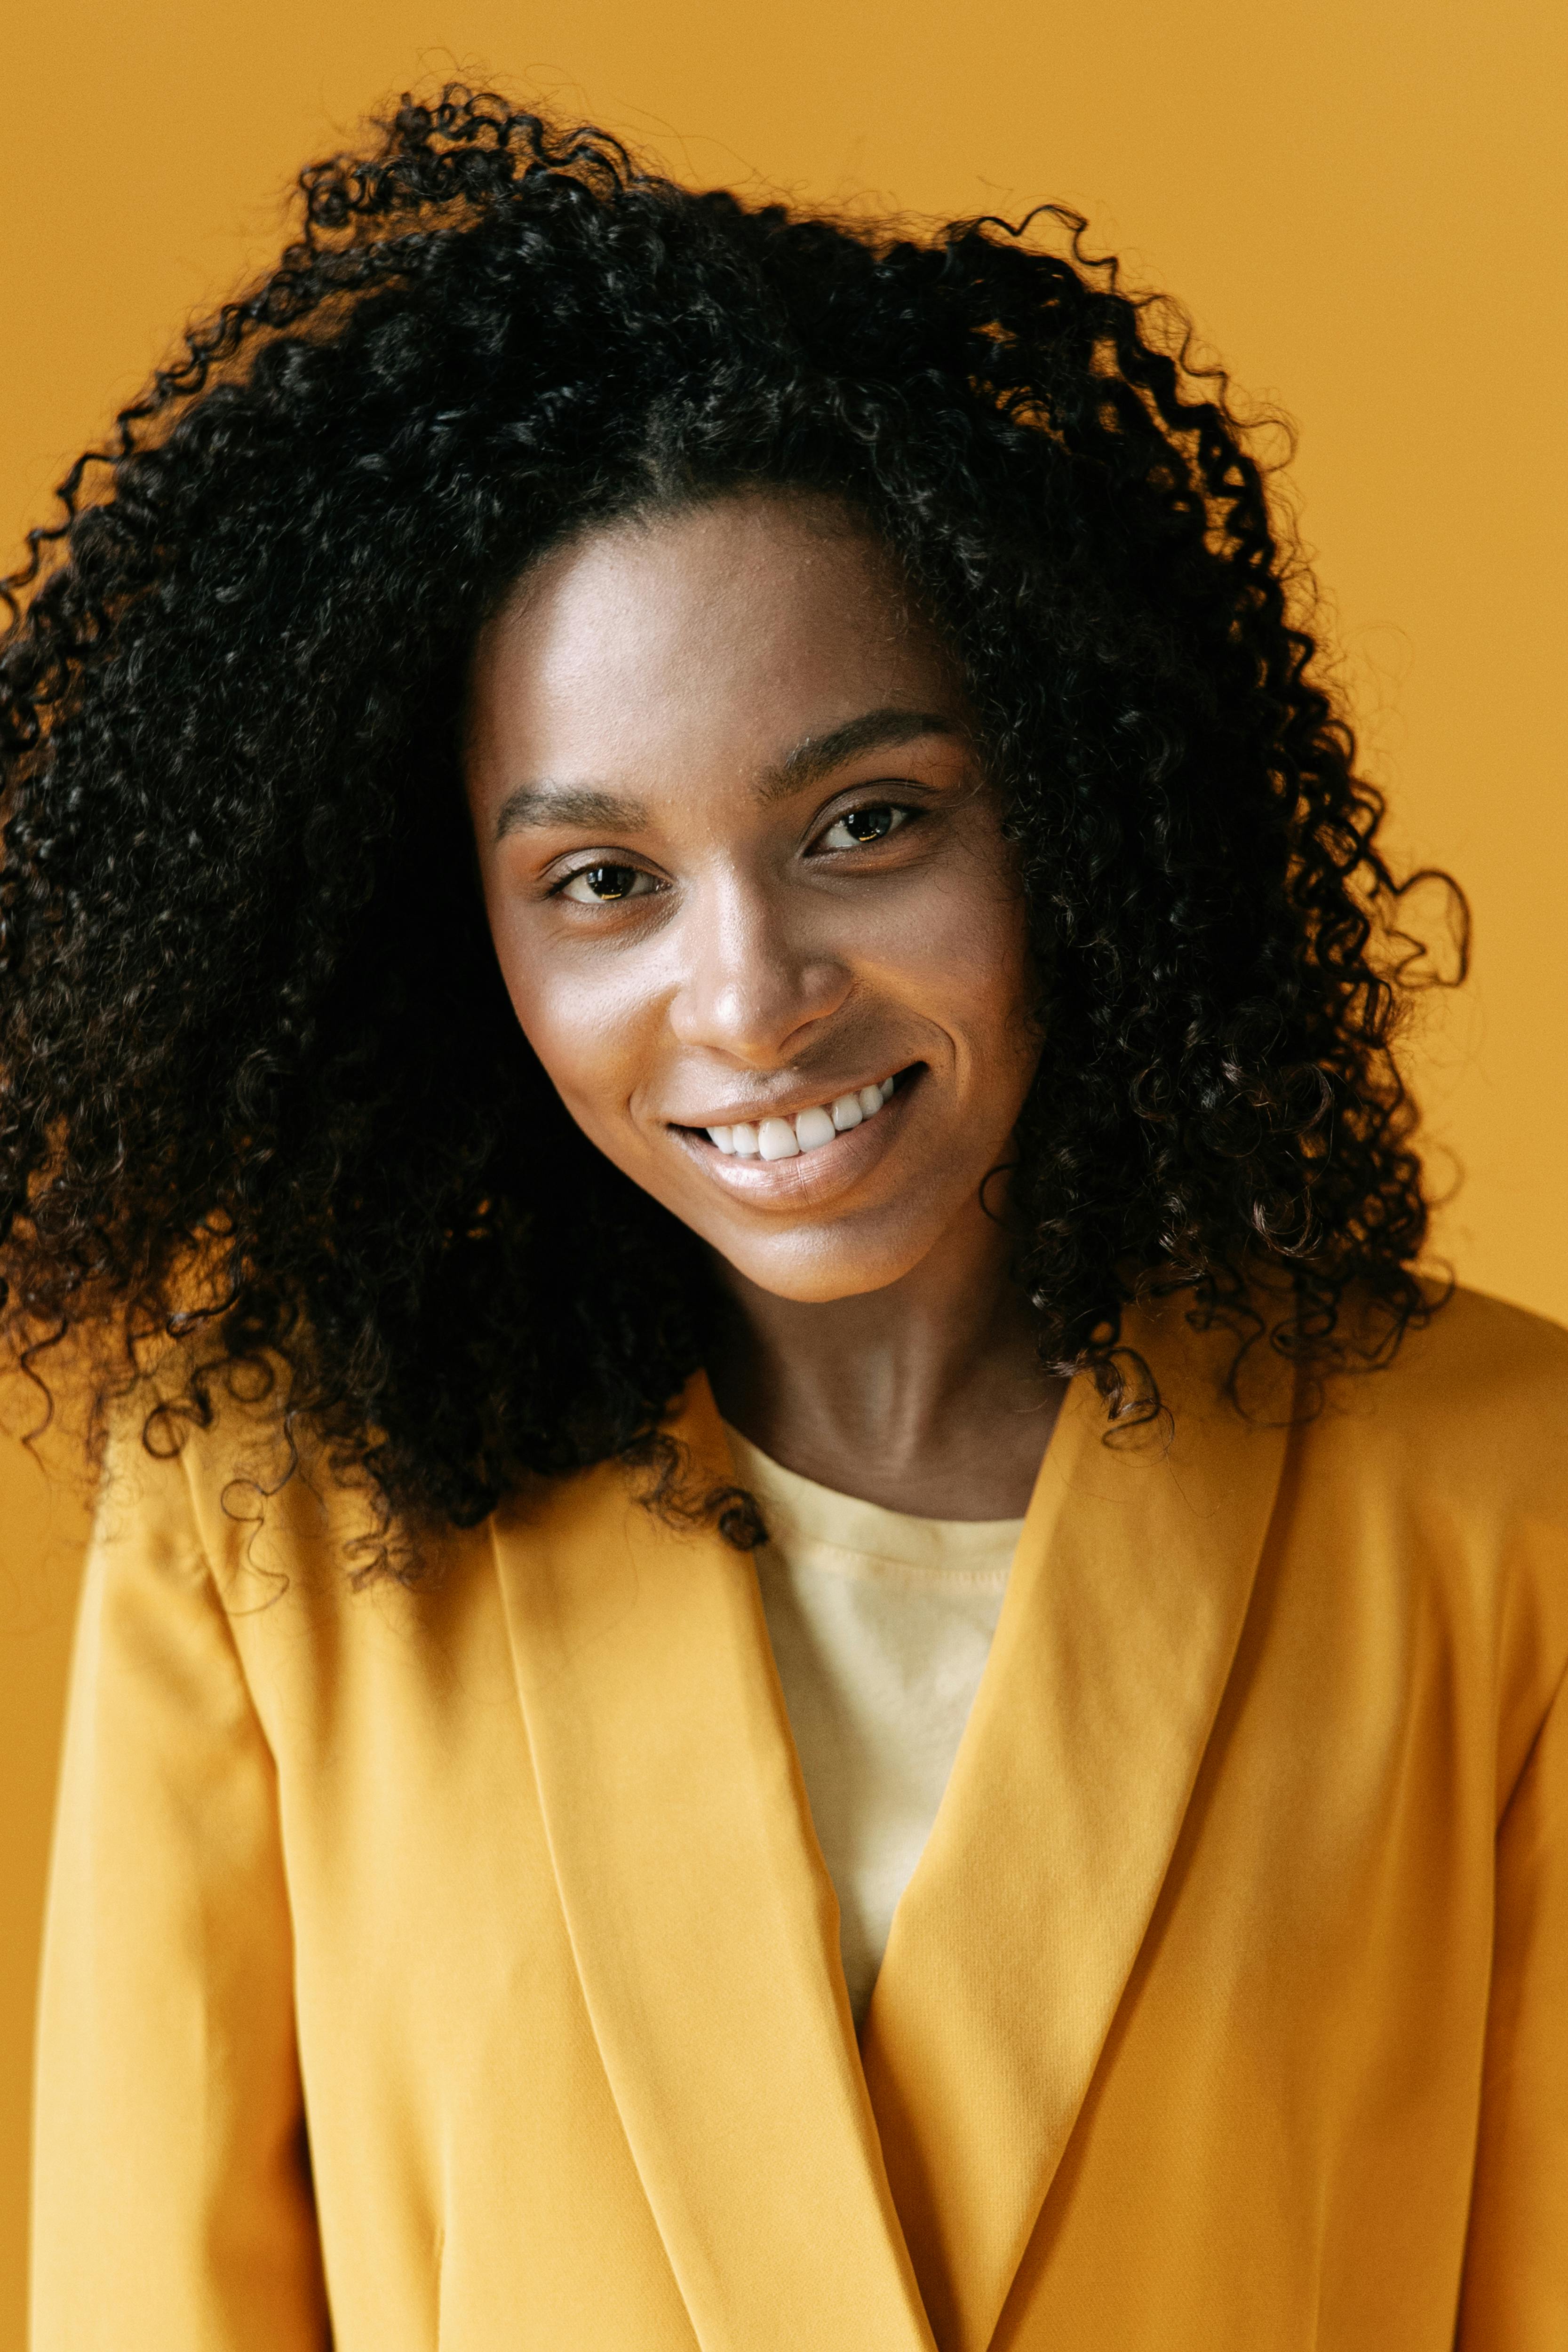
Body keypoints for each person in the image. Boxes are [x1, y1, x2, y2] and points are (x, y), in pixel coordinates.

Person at [4, 86, 1563, 2352]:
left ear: (1076, 804)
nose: (747, 997)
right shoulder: (264, 1536)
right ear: (457, 936)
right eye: (603, 881)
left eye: (864, 820)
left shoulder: (1503, 1503)